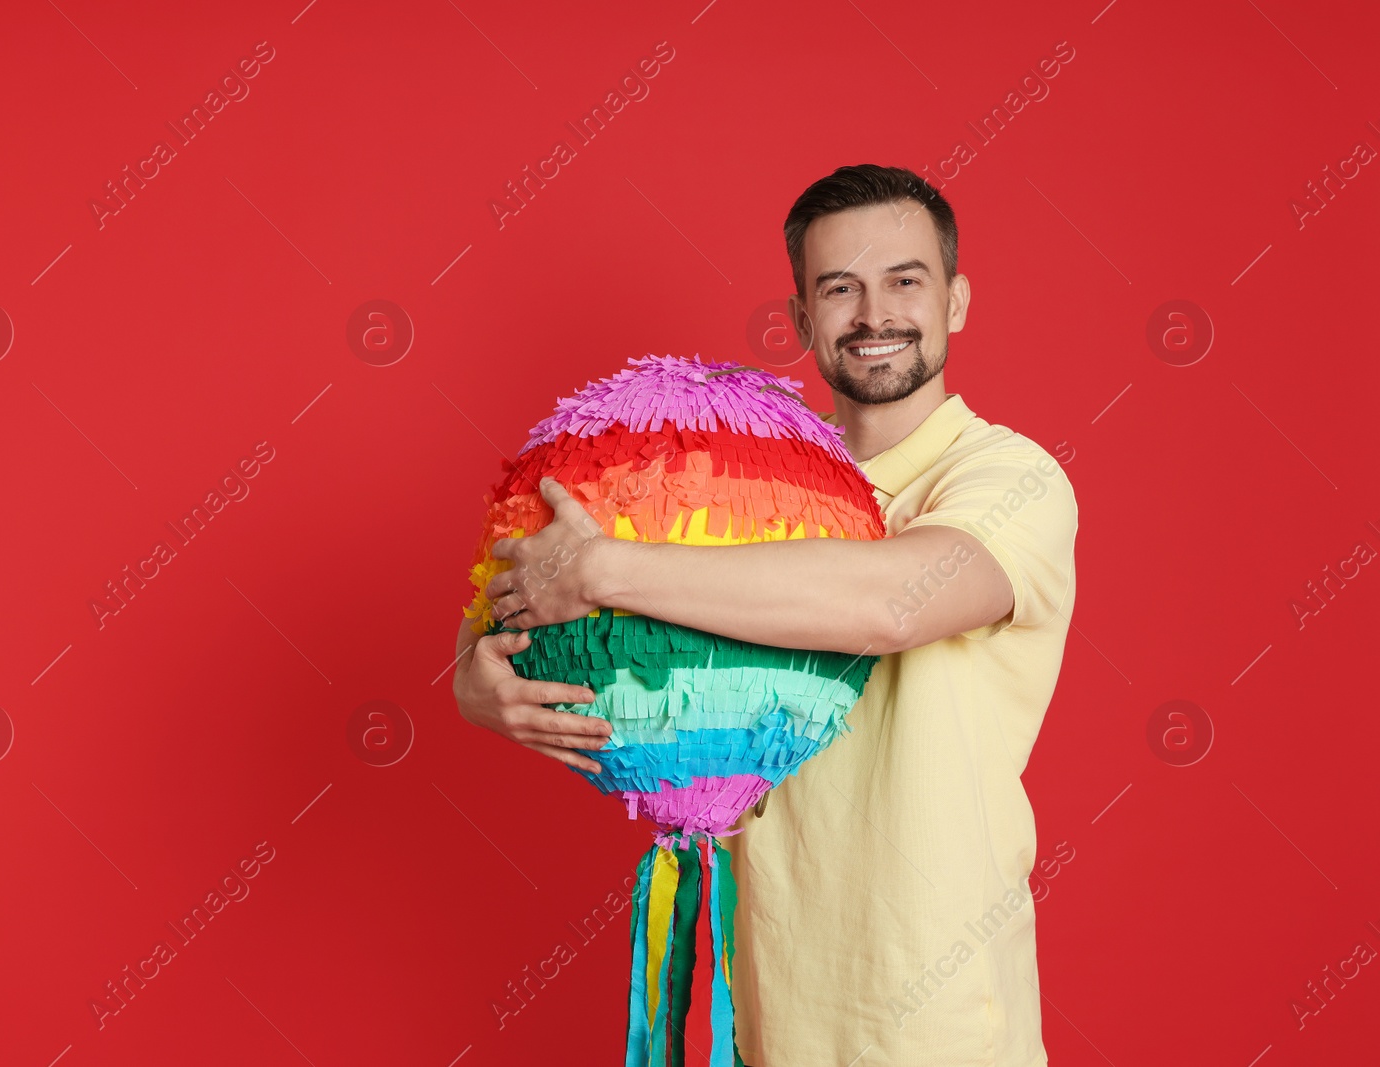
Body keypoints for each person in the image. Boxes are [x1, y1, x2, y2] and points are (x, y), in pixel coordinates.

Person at [452, 163, 1078, 1066]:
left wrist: (607, 568)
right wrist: (474, 674)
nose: (875, 315)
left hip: (937, 1027)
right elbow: (543, 587)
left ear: (957, 301)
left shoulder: (1010, 479)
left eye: (905, 279)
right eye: (840, 288)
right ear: (799, 321)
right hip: (758, 1016)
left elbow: (884, 606)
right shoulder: (744, 485)